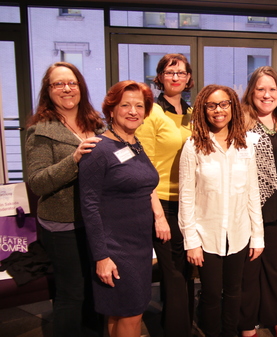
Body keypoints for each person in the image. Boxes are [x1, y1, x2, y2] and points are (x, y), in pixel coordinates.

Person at [25, 62, 104, 337]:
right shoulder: (41, 131)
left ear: (80, 86)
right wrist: (75, 158)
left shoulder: (96, 124)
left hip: (96, 222)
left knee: (95, 292)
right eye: (58, 84)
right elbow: (37, 183)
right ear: (49, 91)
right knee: (72, 295)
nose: (67, 88)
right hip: (63, 226)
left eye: (72, 82)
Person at [179, 84, 264, 337]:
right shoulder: (193, 146)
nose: (219, 110)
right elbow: (186, 197)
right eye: (212, 105)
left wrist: (257, 236)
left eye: (224, 104)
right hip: (207, 236)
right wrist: (191, 241)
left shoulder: (245, 145)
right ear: (203, 109)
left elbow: (253, 193)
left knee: (235, 291)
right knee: (212, 294)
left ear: (233, 107)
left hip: (239, 234)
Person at [79, 80, 158, 337]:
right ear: (111, 110)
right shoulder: (98, 149)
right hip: (116, 247)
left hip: (139, 244)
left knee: (119, 312)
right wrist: (101, 256)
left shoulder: (134, 145)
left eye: (139, 105)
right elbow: (89, 206)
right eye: (125, 105)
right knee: (132, 313)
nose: (133, 111)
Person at [239, 66, 277, 337]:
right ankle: (246, 322)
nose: (267, 95)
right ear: (251, 92)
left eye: (272, 89)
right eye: (261, 89)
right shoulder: (239, 124)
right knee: (249, 273)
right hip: (249, 211)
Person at [135, 53, 194, 337]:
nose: (175, 77)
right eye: (170, 72)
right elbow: (143, 166)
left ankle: (177, 323)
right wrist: (157, 214)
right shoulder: (151, 113)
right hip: (162, 204)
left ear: (188, 78)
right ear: (159, 77)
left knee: (185, 271)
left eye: (181, 73)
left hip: (188, 203)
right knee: (172, 273)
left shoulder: (191, 112)